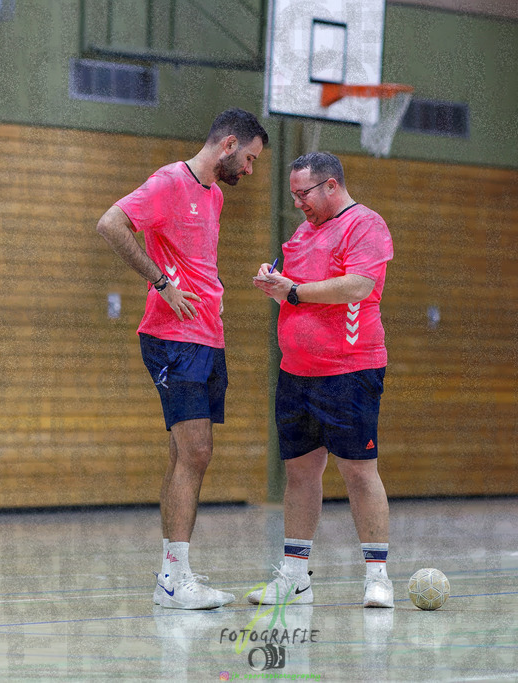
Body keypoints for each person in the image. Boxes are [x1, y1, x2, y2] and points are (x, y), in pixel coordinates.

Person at [95, 109, 268, 610]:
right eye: (250, 159)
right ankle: (173, 580)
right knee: (196, 452)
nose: (250, 171)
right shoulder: (170, 182)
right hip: (175, 339)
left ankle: (176, 571)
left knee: (185, 454)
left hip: (206, 337)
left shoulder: (213, 195)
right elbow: (111, 223)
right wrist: (162, 282)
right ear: (229, 144)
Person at [250, 151, 395, 608]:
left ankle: (377, 577)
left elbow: (358, 286)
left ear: (332, 185)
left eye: (304, 193)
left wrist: (293, 290)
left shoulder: (365, 225)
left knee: (358, 472)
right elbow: (294, 294)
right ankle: (295, 576)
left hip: (350, 371)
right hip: (297, 374)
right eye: (292, 194)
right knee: (299, 474)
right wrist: (275, 283)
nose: (298, 203)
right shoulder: (301, 233)